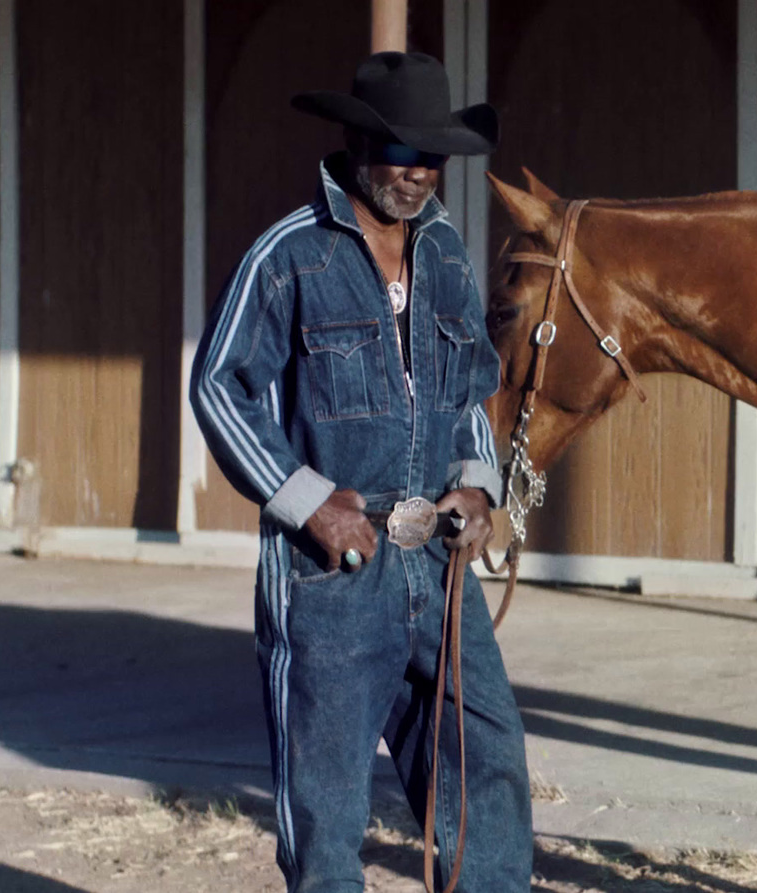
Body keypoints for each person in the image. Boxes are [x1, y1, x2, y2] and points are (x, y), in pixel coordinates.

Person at [190, 52, 530, 892]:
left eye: (433, 155)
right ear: (352, 142)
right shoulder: (288, 256)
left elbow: (473, 395)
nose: (417, 172)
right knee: (328, 814)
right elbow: (217, 384)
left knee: (485, 765)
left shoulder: (447, 257)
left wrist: (479, 488)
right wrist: (308, 505)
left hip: (438, 562)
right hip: (332, 574)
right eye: (400, 150)